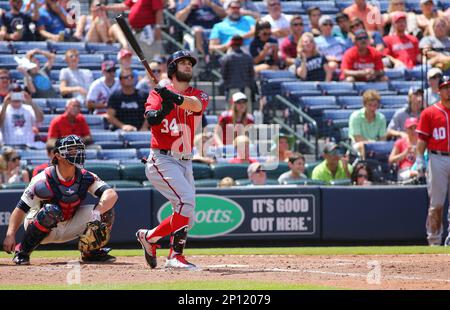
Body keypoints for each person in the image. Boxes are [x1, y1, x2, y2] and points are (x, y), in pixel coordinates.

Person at [136, 50, 209, 269]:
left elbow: (195, 105)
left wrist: (175, 98)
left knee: (188, 216)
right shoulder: (158, 94)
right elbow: (152, 119)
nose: (188, 66)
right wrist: (165, 106)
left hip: (186, 161)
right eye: (182, 63)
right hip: (162, 158)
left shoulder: (199, 94)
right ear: (172, 68)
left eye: (189, 63)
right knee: (186, 202)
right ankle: (175, 257)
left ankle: (150, 238)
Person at [2, 135, 118, 264]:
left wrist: (97, 212)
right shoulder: (42, 179)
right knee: (51, 210)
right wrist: (10, 234)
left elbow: (110, 193)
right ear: (58, 155)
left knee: (106, 211)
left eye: (79, 149)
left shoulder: (85, 176)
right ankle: (23, 252)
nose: (77, 153)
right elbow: (21, 208)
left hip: (70, 224)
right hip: (42, 226)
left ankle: (91, 252)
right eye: (72, 150)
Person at [415, 76, 450, 246]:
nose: (448, 90)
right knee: (436, 203)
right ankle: (434, 240)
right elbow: (422, 139)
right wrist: (419, 158)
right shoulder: (429, 112)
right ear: (439, 90)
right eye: (445, 87)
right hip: (437, 158)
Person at [106, 67, 148, 132]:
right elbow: (110, 116)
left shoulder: (143, 95)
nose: (129, 78)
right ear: (120, 80)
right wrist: (123, 126)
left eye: (131, 76)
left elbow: (150, 113)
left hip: (141, 130)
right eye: (126, 77)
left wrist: (144, 127)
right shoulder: (115, 96)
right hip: (120, 130)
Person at [348, 90, 387, 158]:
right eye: (370, 105)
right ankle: (364, 164)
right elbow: (357, 138)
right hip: (357, 145)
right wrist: (371, 143)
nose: (372, 108)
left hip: (376, 145)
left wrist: (376, 145)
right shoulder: (355, 116)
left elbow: (383, 138)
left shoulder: (381, 118)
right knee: (362, 146)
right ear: (364, 104)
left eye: (375, 105)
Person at [220, 35, 255, 104]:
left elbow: (223, 75)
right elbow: (252, 74)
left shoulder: (226, 58)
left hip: (232, 90)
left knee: (232, 113)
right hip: (246, 89)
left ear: (231, 45)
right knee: (247, 113)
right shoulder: (248, 58)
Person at [388, 117, 419, 181]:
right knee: (415, 174)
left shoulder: (422, 142)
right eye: (410, 128)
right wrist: (404, 153)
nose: (413, 131)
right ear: (406, 129)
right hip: (404, 170)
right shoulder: (400, 142)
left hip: (419, 169)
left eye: (415, 128)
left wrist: (418, 153)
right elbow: (391, 160)